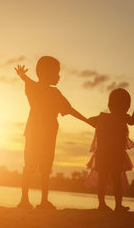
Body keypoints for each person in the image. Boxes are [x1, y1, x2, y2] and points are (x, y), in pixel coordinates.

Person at [15, 56, 89, 209]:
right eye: (56, 73)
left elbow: (70, 110)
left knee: (38, 168)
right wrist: (88, 121)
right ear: (45, 73)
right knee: (40, 168)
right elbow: (70, 110)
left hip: (42, 134)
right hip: (42, 135)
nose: (59, 76)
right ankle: (33, 201)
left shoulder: (42, 90)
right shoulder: (47, 92)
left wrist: (23, 76)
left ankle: (32, 201)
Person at [86, 88, 134, 212]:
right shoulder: (123, 117)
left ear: (110, 104)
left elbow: (90, 120)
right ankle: (118, 205)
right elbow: (133, 121)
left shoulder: (102, 117)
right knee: (116, 180)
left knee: (103, 179)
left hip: (103, 154)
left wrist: (89, 120)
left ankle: (102, 204)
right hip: (115, 155)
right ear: (126, 106)